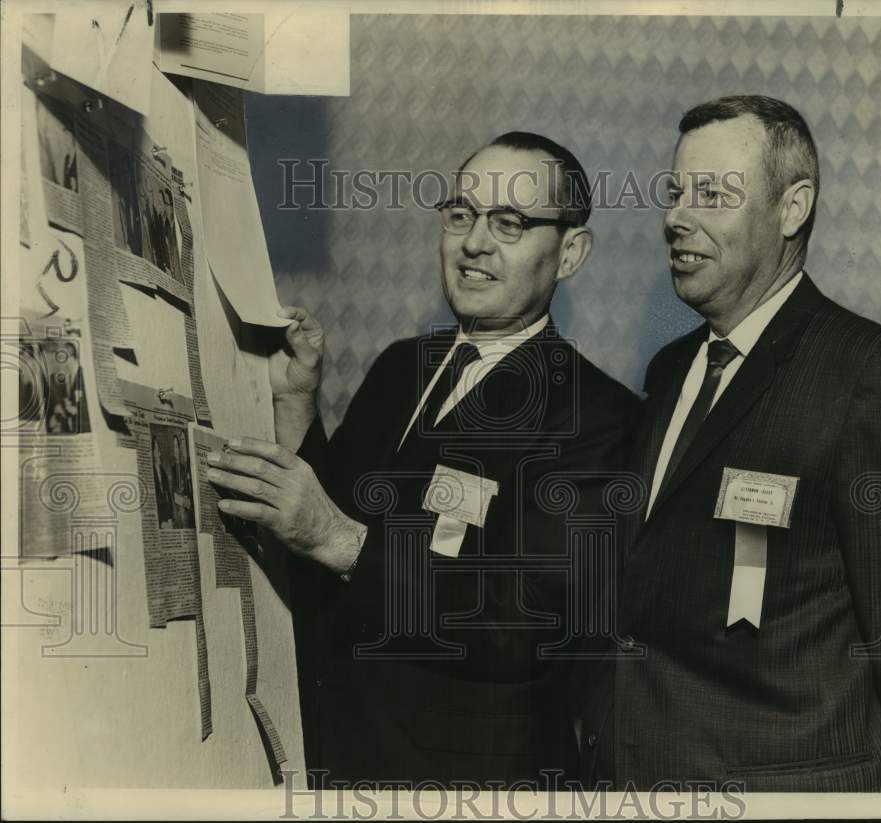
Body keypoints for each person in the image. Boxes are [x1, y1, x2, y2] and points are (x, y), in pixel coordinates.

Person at [204, 132, 637, 786]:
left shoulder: (597, 416)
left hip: (462, 781)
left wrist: (339, 539)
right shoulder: (403, 365)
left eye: (510, 222)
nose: (475, 243)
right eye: (461, 214)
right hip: (331, 750)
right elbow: (333, 516)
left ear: (570, 252)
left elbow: (522, 619)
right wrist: (297, 406)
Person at [579, 95, 881, 792]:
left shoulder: (876, 374)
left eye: (711, 194)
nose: (676, 217)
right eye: (675, 193)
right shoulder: (671, 371)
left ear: (792, 209)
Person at [171, 432, 193, 529]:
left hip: (188, 509)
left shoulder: (186, 466)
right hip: (179, 508)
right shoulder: (173, 469)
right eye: (174, 447)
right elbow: (173, 492)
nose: (177, 450)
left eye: (178, 446)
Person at [152, 437, 174, 529]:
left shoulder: (163, 472)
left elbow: (168, 496)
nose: (159, 453)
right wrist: (160, 522)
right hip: (158, 520)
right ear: (151, 453)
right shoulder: (151, 471)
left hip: (167, 520)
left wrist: (170, 518)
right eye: (157, 450)